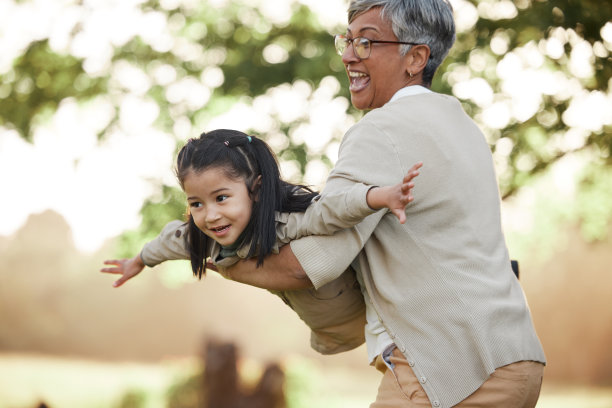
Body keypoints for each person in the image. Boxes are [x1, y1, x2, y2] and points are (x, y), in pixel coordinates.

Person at [211, 1, 547, 407]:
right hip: (516, 358)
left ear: (416, 58)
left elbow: (310, 262)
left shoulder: (380, 131)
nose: (350, 55)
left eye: (367, 43)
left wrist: (218, 254)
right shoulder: (464, 127)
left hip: (451, 368)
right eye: (348, 40)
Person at [102, 128, 422, 354]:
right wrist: (138, 261)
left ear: (255, 189)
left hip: (369, 308)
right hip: (331, 330)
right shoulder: (204, 238)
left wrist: (380, 196)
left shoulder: (289, 218)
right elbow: (168, 241)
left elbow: (331, 208)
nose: (210, 215)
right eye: (196, 203)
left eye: (221, 197)